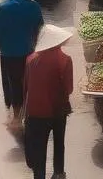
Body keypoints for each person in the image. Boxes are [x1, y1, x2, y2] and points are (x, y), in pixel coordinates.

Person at [23, 24, 74, 179]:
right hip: (58, 110)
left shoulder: (30, 59)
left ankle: (39, 176)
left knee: (39, 149)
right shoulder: (65, 60)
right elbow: (69, 88)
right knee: (59, 143)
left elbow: (26, 86)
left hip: (35, 112)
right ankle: (58, 173)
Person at [0, 0, 44, 122]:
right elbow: (41, 28)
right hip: (29, 50)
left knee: (12, 81)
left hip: (8, 51)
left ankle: (14, 113)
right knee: (28, 81)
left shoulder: (3, 6)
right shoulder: (33, 6)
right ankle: (29, 111)